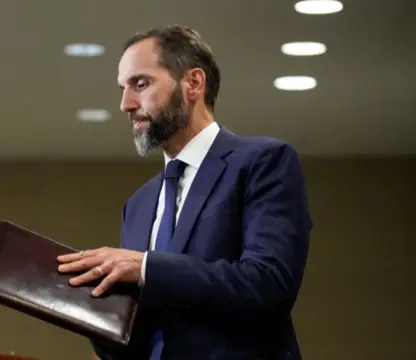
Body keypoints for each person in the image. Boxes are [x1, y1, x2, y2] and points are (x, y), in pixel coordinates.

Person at [57, 25, 312, 360]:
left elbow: (268, 284)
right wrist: (92, 311)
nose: (125, 104)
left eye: (141, 84)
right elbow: (141, 336)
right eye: (123, 88)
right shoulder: (138, 204)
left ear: (193, 83)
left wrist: (146, 267)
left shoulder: (263, 162)